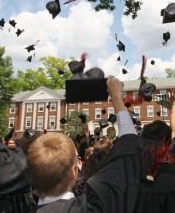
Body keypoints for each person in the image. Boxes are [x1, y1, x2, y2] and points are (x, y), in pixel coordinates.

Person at [27, 76, 142, 213]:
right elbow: (129, 146)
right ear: (74, 172)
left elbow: (129, 145)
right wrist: (116, 97)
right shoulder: (91, 208)